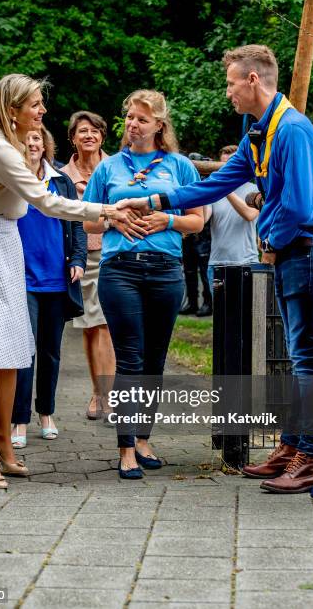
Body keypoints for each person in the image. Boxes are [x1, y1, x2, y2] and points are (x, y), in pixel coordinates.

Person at [120, 45, 313, 493]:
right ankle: (291, 447)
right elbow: (214, 183)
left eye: (231, 83)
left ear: (253, 80)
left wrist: (270, 240)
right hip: (287, 252)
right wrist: (155, 200)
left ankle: (312, 455)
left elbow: (296, 206)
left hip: (307, 252)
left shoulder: (293, 130)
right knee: (297, 357)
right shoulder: (258, 133)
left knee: (307, 358)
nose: (228, 93)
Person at [0, 73, 131, 488]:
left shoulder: (14, 147)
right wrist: (107, 211)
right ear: (12, 110)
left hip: (6, 244)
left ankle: (5, 445)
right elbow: (45, 200)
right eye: (35, 105)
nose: (42, 111)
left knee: (10, 353)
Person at [84, 89, 203, 479]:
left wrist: (165, 219)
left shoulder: (180, 166)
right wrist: (113, 218)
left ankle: (143, 438)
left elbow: (197, 220)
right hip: (121, 269)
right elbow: (86, 221)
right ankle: (125, 448)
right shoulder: (108, 168)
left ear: (159, 125)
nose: (133, 125)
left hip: (166, 270)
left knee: (155, 358)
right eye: (129, 118)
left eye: (141, 119)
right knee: (130, 358)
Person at [11, 126, 87, 447]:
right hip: (21, 278)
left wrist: (78, 260)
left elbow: (77, 224)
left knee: (51, 352)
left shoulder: (61, 181)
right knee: (24, 351)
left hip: (57, 278)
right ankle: (19, 420)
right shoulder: (13, 179)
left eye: (37, 138)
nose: (33, 143)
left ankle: (46, 413)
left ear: (45, 144)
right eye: (27, 138)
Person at [62, 111, 115, 421]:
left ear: (102, 136)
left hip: (113, 255)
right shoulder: (62, 175)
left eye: (95, 131)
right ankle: (98, 392)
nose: (89, 136)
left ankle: (108, 397)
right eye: (82, 131)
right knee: (89, 327)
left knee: (107, 325)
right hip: (82, 258)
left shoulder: (115, 168)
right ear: (73, 138)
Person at [204, 144, 259, 294]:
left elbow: (249, 215)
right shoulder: (215, 191)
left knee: (248, 316)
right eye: (223, 165)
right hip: (217, 264)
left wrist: (224, 187)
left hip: (247, 262)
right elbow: (202, 219)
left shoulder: (254, 189)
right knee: (221, 317)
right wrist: (203, 187)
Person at [180, 222, 213, 317]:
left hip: (204, 233)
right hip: (188, 233)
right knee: (189, 270)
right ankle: (192, 302)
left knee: (204, 271)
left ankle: (208, 303)